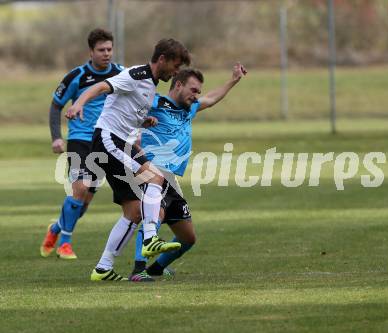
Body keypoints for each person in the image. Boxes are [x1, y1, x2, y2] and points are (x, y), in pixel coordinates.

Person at [66, 38, 191, 281]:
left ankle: (103, 268)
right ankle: (150, 238)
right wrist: (79, 102)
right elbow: (102, 87)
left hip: (120, 142)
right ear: (162, 59)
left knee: (133, 211)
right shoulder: (136, 74)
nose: (176, 73)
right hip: (108, 140)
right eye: (175, 66)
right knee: (155, 177)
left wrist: (143, 121)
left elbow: (124, 109)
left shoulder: (151, 83)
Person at [129, 63, 247, 282]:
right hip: (152, 171)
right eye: (193, 90)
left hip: (172, 177)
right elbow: (128, 114)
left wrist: (233, 80)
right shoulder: (154, 102)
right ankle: (138, 270)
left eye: (198, 91)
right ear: (179, 85)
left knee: (188, 238)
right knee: (154, 218)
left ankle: (155, 269)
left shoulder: (188, 108)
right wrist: (136, 137)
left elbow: (211, 98)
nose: (197, 95)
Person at [40, 28, 123, 260]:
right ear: (91, 51)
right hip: (80, 138)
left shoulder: (120, 73)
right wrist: (57, 136)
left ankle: (56, 228)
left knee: (84, 202)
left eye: (109, 49)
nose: (106, 53)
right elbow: (56, 105)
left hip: (105, 140)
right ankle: (65, 244)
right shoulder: (76, 76)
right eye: (101, 50)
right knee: (80, 188)